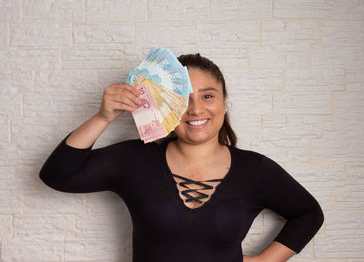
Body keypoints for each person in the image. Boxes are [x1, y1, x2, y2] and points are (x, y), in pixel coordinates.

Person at [39, 53, 324, 262]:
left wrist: (264, 261)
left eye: (208, 96)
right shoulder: (134, 160)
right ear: (167, 107)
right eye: (183, 98)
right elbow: (57, 175)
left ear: (225, 103)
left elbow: (309, 214)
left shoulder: (255, 169)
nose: (196, 109)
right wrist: (104, 117)